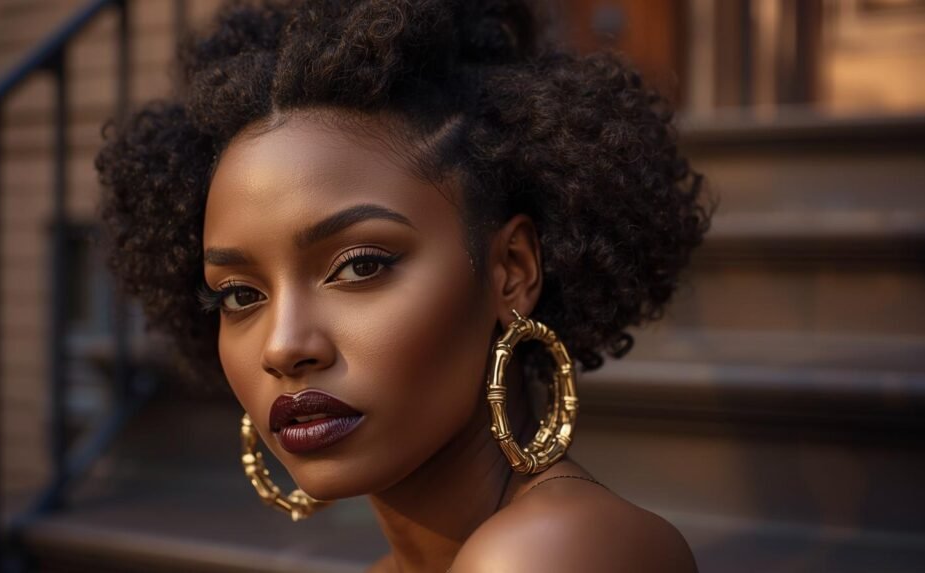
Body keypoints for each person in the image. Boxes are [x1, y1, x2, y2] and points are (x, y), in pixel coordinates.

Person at [94, 0, 711, 570]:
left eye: (360, 265)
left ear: (512, 270)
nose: (283, 347)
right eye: (240, 294)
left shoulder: (552, 554)